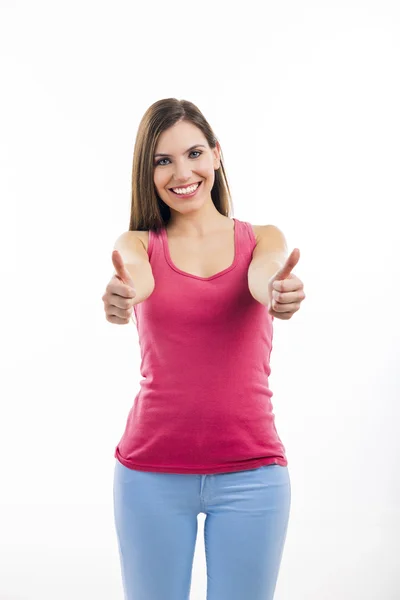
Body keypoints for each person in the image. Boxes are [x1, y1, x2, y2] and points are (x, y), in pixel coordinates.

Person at [102, 98, 306, 600]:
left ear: (216, 154)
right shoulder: (138, 244)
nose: (182, 172)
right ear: (147, 172)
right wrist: (123, 294)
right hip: (149, 475)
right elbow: (139, 280)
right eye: (163, 161)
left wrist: (278, 292)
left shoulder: (262, 239)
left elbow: (263, 277)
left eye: (194, 153)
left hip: (253, 475)